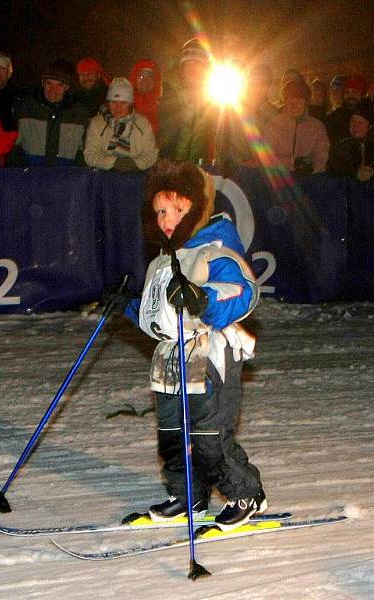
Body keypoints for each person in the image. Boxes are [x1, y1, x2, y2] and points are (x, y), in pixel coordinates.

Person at [116, 159, 263, 530]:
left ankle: (246, 493)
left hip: (212, 351)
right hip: (171, 356)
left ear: (196, 208)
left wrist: (204, 299)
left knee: (208, 435)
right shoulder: (163, 261)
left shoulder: (215, 248)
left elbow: (244, 292)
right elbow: (159, 320)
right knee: (173, 434)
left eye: (177, 209)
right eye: (160, 210)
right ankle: (188, 496)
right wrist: (128, 307)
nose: (167, 218)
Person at [11, 59, 88, 166]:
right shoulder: (26, 108)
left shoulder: (79, 113)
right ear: (43, 83)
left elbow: (83, 151)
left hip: (66, 176)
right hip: (32, 175)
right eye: (49, 83)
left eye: (59, 85)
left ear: (67, 87)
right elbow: (14, 145)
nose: (53, 90)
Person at [83, 77, 158, 171]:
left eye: (123, 103)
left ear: (130, 104)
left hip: (135, 176)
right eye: (113, 102)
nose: (118, 107)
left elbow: (151, 154)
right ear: (108, 103)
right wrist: (113, 162)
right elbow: (90, 154)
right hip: (103, 177)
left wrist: (134, 163)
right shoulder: (97, 123)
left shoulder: (142, 123)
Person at [158, 38, 214, 162]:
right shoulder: (169, 91)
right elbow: (165, 131)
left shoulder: (211, 97)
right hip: (171, 164)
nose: (193, 68)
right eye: (189, 63)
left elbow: (213, 133)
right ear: (182, 66)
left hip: (198, 165)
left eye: (197, 63)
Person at [262, 79, 330, 176]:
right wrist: (293, 162)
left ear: (306, 102)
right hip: (279, 177)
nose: (294, 104)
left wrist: (310, 168)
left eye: (299, 99)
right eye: (290, 99)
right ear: (285, 101)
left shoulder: (317, 127)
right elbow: (266, 156)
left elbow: (322, 157)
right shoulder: (273, 124)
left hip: (309, 178)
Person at [327, 105, 374, 181]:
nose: (355, 126)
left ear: (370, 126)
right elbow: (334, 166)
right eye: (353, 121)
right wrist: (355, 173)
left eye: (361, 123)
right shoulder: (341, 143)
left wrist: (373, 171)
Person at [128, 59, 162, 133]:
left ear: (155, 81)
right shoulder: (124, 105)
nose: (145, 80)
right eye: (140, 76)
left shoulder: (163, 108)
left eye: (149, 76)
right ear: (134, 79)